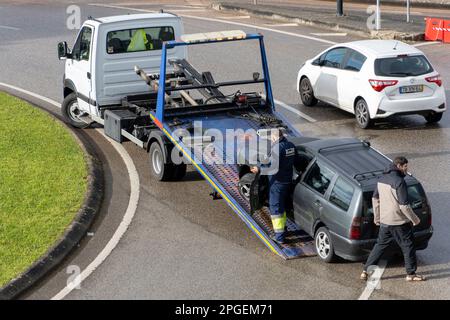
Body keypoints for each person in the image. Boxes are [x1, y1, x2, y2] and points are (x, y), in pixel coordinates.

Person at [361, 156, 426, 282]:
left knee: (380, 245)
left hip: (385, 221)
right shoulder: (399, 182)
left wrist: (377, 217)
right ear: (399, 166)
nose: (407, 170)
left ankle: (365, 271)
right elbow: (404, 206)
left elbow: (375, 199)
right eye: (405, 167)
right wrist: (415, 219)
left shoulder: (381, 179)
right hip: (399, 222)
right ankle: (411, 274)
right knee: (408, 246)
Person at [251, 128, 296, 244]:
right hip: (287, 181)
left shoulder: (277, 148)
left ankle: (279, 237)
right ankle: (284, 229)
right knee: (282, 206)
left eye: (271, 138)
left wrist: (259, 169)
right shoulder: (290, 145)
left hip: (277, 183)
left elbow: (272, 167)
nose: (271, 140)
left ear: (275, 137)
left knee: (276, 209)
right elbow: (296, 159)